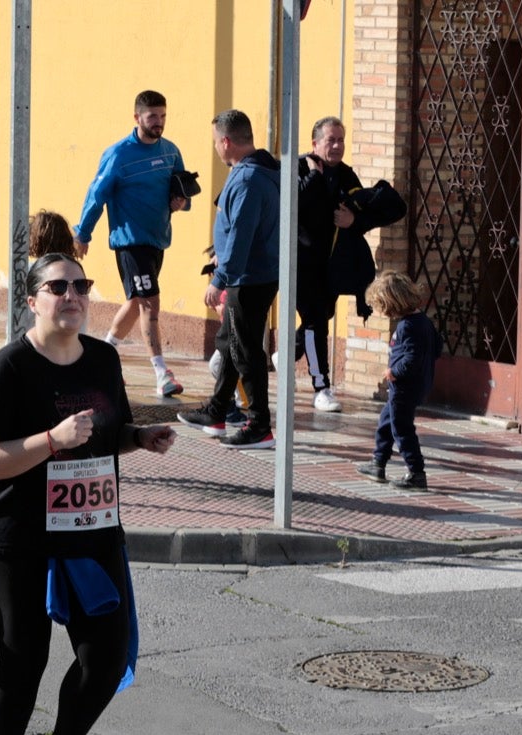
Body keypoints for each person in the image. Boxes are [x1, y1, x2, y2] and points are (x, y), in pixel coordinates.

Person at [0, 253, 174, 735]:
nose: (73, 295)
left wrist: (138, 437)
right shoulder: (9, 367)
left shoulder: (102, 360)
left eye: (82, 285)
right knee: (24, 655)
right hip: (14, 531)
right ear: (33, 300)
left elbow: (108, 432)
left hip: (89, 527)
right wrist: (50, 440)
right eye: (58, 287)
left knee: (107, 653)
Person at [72, 90, 192, 400]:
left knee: (137, 301)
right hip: (130, 241)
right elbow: (96, 194)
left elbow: (180, 190)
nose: (159, 122)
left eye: (163, 116)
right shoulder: (119, 154)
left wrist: (179, 201)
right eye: (153, 116)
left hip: (158, 239)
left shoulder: (170, 151)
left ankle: (99, 357)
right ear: (137, 117)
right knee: (150, 302)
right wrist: (82, 233)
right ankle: (162, 373)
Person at [177, 109, 279, 449]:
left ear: (226, 141)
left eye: (216, 144)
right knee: (230, 343)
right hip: (249, 274)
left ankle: (259, 424)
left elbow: (242, 233)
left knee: (245, 350)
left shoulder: (250, 178)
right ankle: (217, 410)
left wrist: (220, 278)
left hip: (248, 279)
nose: (216, 151)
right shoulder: (255, 171)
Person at [294, 117, 405, 414]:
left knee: (321, 316)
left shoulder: (345, 174)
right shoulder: (299, 167)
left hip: (330, 265)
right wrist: (315, 177)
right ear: (314, 143)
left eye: (341, 140)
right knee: (316, 320)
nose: (337, 146)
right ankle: (322, 388)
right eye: (331, 140)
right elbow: (293, 205)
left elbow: (364, 209)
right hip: (299, 263)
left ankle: (240, 355)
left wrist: (355, 221)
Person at [355, 272, 440, 491]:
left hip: (404, 387)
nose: (381, 312)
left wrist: (394, 371)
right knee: (386, 422)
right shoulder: (423, 322)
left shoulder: (408, 326)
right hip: (412, 386)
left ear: (392, 304)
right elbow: (436, 348)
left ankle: (416, 473)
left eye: (381, 307)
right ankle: (378, 463)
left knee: (401, 429)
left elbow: (411, 358)